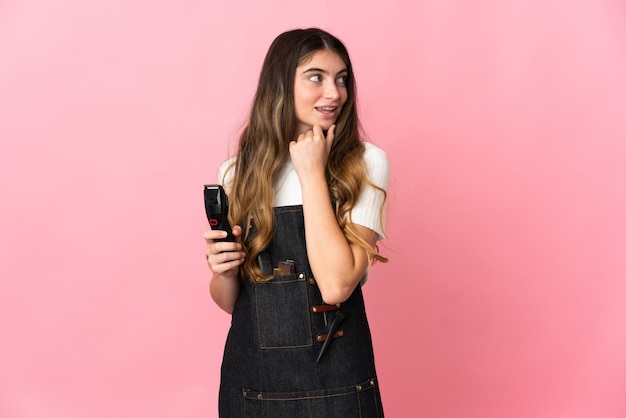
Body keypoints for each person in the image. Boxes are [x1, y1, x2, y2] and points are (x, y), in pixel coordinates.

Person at [204, 27, 389, 417]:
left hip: (338, 386)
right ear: (280, 84)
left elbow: (337, 285)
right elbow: (231, 303)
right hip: (252, 389)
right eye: (315, 77)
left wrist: (312, 175)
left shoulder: (365, 163)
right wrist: (222, 271)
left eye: (342, 79)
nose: (334, 93)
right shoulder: (237, 173)